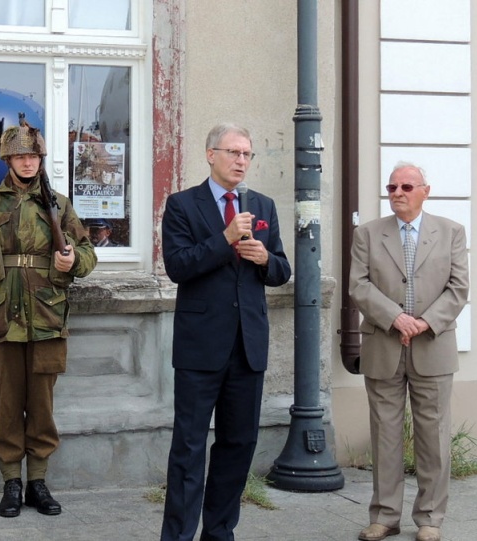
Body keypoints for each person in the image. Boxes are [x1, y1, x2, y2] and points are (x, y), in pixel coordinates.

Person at [0, 119, 97, 518]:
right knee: (7, 405)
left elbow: (88, 255)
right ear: (8, 159)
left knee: (42, 406)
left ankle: (38, 480)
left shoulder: (59, 205)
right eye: (20, 155)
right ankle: (11, 483)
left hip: (47, 318)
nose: (28, 162)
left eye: (33, 155)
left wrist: (72, 259)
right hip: (1, 319)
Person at [160, 123, 291, 540]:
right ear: (210, 154)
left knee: (238, 447)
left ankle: (219, 533)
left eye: (247, 154)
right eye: (233, 152)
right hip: (200, 349)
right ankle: (178, 535)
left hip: (247, 348)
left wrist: (264, 258)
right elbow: (178, 266)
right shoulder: (182, 205)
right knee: (189, 449)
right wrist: (226, 238)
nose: (240, 161)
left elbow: (282, 271)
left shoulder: (263, 205)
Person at [350, 162, 469, 541]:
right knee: (384, 434)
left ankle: (430, 518)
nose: (397, 193)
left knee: (433, 435)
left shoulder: (450, 232)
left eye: (405, 186)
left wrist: (424, 322)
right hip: (383, 344)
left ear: (424, 190)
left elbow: (458, 288)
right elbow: (358, 285)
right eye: (391, 187)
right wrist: (396, 318)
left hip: (432, 344)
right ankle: (385, 516)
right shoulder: (368, 234)